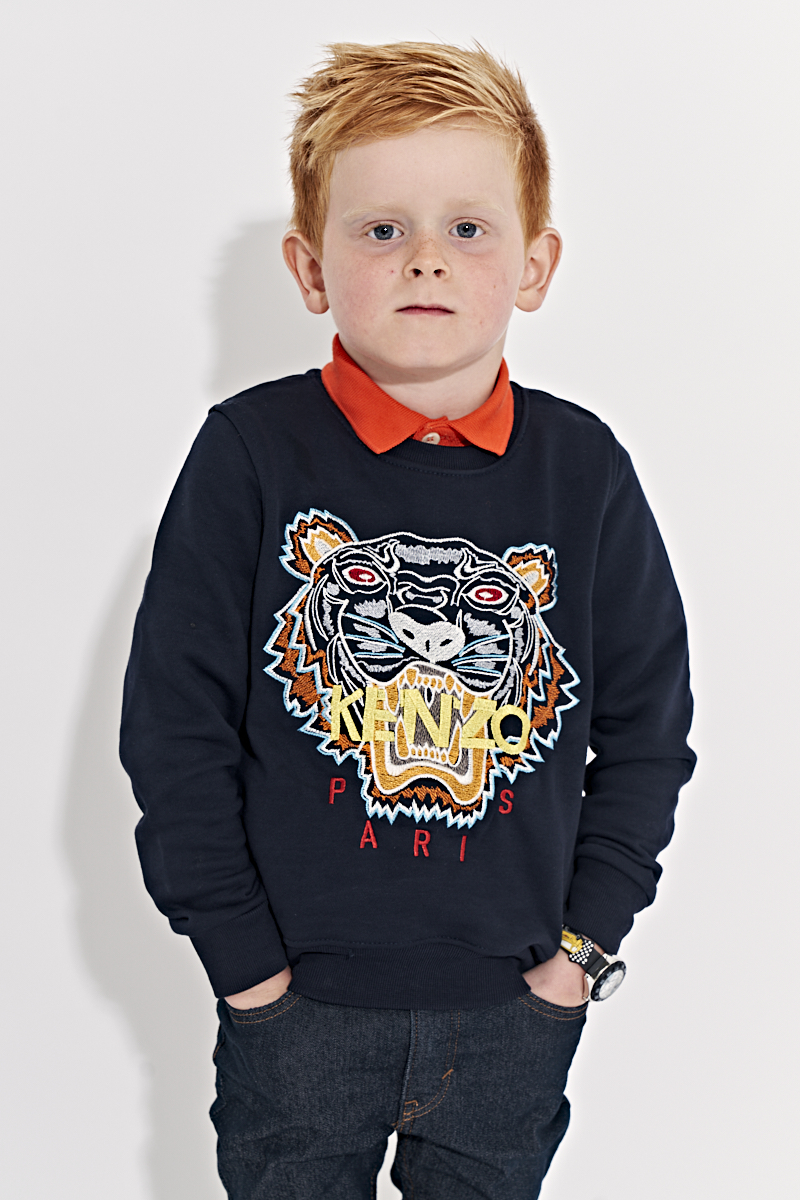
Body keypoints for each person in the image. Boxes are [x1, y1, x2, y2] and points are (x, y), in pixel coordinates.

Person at [120, 41, 695, 1200]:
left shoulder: (580, 470)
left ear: (533, 265)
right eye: (380, 229)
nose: (424, 257)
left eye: (466, 228)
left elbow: (645, 732)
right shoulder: (250, 453)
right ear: (309, 265)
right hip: (296, 1011)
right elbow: (175, 732)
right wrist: (245, 969)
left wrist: (577, 955)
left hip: (512, 1010)